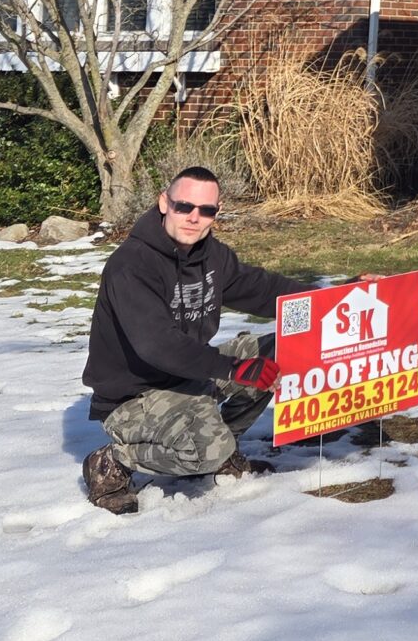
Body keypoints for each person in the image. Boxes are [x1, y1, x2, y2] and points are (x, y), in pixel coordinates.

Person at [80, 164, 309, 515]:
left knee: (280, 350)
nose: (193, 217)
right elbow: (156, 344)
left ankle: (222, 451)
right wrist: (232, 368)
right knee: (204, 450)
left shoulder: (212, 257)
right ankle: (114, 459)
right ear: (163, 203)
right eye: (183, 206)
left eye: (206, 210)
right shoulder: (131, 264)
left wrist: (337, 295)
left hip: (189, 374)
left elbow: (265, 291)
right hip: (133, 396)